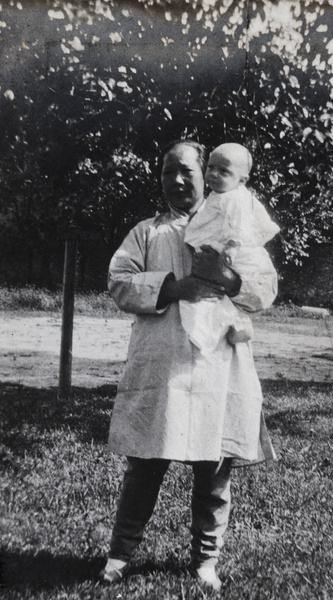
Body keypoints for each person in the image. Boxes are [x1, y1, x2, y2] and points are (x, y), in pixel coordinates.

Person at [101, 140, 278, 591]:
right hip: (162, 364)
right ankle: (120, 554)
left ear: (209, 176)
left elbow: (264, 290)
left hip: (218, 363)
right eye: (166, 172)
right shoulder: (148, 233)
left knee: (214, 468)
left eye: (187, 172)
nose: (176, 181)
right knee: (144, 464)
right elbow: (119, 282)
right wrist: (175, 288)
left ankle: (205, 560)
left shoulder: (235, 223)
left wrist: (228, 278)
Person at [181, 142, 280, 354]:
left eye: (224, 171)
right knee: (218, 293)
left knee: (219, 289)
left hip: (237, 253)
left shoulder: (235, 198)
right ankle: (238, 324)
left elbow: (239, 226)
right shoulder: (221, 195)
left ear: (242, 180)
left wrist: (231, 247)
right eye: (210, 167)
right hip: (225, 249)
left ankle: (240, 324)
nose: (214, 174)